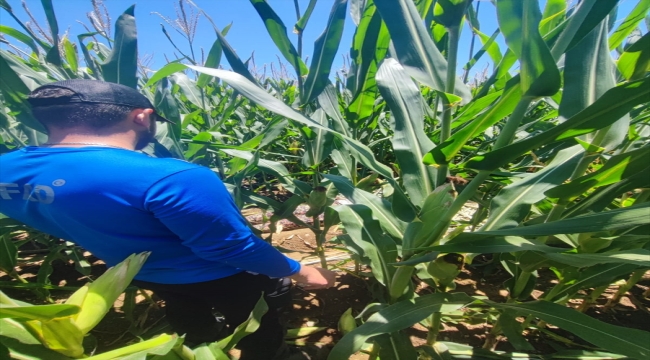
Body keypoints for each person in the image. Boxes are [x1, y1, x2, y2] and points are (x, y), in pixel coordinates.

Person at [0, 80, 337, 360]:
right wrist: (302, 271)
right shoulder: (170, 177)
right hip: (223, 274)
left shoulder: (7, 170)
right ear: (142, 117)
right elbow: (232, 248)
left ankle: (199, 345)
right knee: (260, 316)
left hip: (136, 271)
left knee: (183, 306)